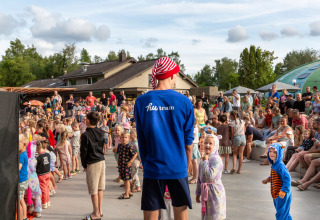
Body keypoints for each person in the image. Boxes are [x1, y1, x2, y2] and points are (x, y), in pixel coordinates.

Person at [135, 57, 194, 220]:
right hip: (177, 167)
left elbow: (141, 139)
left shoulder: (141, 102)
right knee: (181, 213)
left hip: (153, 167)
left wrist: (147, 165)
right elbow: (188, 142)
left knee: (150, 215)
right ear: (172, 76)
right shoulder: (184, 102)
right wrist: (186, 165)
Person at [80, 111, 105, 220]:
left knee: (93, 189)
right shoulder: (101, 131)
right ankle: (99, 210)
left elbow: (83, 151)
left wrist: (84, 164)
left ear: (88, 121)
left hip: (93, 162)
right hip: (101, 160)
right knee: (99, 188)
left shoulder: (85, 134)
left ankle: (95, 213)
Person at [195, 134, 226, 220]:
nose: (207, 145)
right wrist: (198, 193)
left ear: (215, 145)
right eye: (205, 143)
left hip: (215, 193)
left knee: (216, 216)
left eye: (210, 143)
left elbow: (210, 176)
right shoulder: (203, 158)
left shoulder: (216, 159)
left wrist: (205, 162)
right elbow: (200, 177)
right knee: (207, 216)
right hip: (206, 192)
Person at [262, 143, 292, 220]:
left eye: (274, 152)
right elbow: (276, 176)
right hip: (276, 193)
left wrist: (283, 191)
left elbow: (287, 179)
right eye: (270, 151)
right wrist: (268, 179)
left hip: (282, 193)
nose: (272, 154)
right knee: (284, 211)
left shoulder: (280, 166)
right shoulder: (275, 164)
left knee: (280, 213)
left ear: (279, 153)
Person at [117, 132, 137, 199]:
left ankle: (126, 194)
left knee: (126, 180)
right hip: (121, 165)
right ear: (120, 138)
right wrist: (118, 160)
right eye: (122, 137)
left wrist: (130, 162)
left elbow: (135, 154)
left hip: (127, 166)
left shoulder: (129, 147)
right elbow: (119, 154)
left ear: (129, 139)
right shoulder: (120, 146)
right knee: (124, 179)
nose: (124, 139)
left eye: (126, 137)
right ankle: (129, 192)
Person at [36, 140, 51, 209]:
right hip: (47, 172)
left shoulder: (38, 157)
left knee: (43, 188)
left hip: (41, 174)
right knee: (46, 187)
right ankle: (47, 201)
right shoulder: (47, 154)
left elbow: (36, 165)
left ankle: (44, 202)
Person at [19, 134, 29, 220]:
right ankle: (24, 217)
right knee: (21, 200)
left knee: (18, 201)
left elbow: (18, 169)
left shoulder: (21, 156)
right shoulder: (23, 154)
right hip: (24, 179)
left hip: (21, 180)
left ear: (24, 144)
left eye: (18, 144)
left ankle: (21, 217)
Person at [189, 119, 200, 184]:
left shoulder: (194, 128)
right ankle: (194, 177)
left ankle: (195, 178)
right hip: (194, 144)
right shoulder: (195, 127)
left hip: (193, 145)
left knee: (194, 162)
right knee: (193, 162)